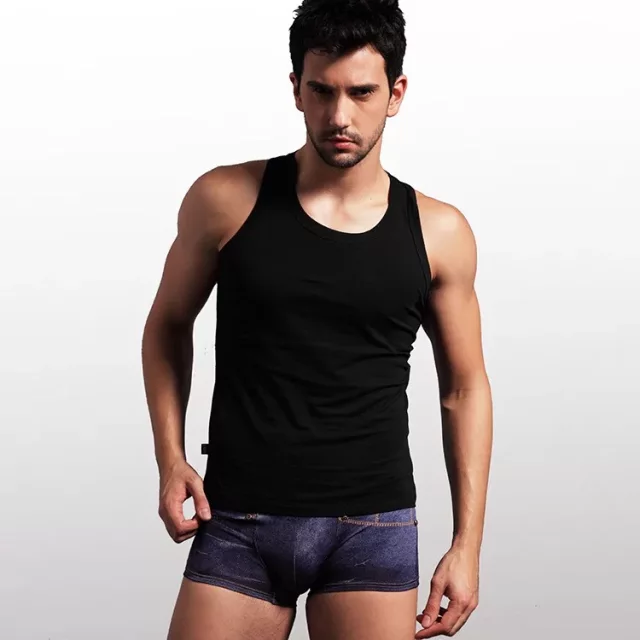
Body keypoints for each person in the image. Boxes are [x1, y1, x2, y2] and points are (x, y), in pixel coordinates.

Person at [141, 0, 493, 638]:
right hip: (238, 517)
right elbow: (167, 326)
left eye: (362, 93)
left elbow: (464, 388)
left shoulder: (439, 232)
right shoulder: (226, 200)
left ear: (396, 94)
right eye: (322, 91)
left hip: (372, 524)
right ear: (296, 89)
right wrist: (171, 459)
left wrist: (467, 544)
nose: (339, 116)